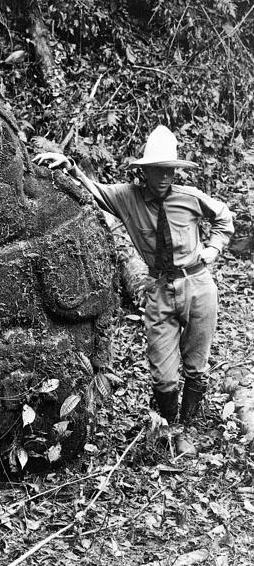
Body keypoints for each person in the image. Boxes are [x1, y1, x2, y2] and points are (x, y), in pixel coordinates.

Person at [34, 126, 234, 455]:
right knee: (164, 376)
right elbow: (93, 190)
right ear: (144, 171)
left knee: (197, 366)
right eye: (158, 170)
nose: (165, 177)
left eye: (170, 170)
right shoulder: (129, 198)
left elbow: (224, 218)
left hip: (199, 286)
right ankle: (167, 424)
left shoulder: (190, 197)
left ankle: (185, 429)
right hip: (159, 290)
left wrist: (212, 249)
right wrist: (68, 165)